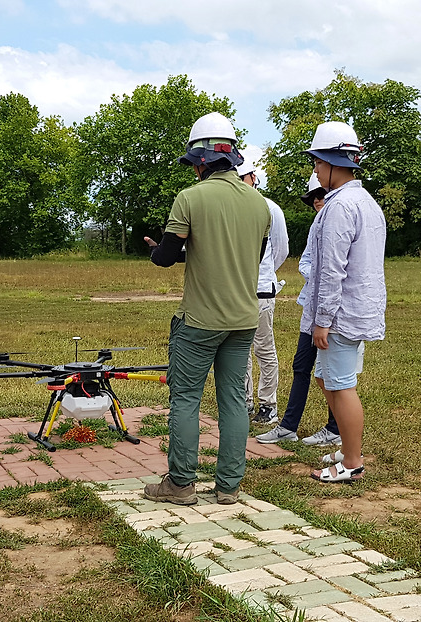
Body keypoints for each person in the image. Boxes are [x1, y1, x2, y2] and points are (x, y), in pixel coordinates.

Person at [142, 112, 270, 506]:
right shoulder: (260, 204)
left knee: (185, 399)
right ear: (232, 158)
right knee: (233, 400)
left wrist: (156, 250)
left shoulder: (190, 198)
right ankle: (228, 487)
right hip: (243, 320)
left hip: (199, 320)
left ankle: (180, 484)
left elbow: (166, 257)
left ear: (200, 161)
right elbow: (248, 258)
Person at [302, 122, 386, 484]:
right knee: (326, 379)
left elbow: (332, 269)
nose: (316, 170)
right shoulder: (365, 202)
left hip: (341, 312)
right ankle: (349, 447)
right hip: (356, 307)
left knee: (340, 384)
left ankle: (352, 462)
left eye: (318, 163)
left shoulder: (339, 207)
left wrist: (323, 319)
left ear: (333, 163)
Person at [256, 172, 341, 447]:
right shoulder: (317, 224)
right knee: (301, 366)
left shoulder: (339, 222)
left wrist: (320, 278)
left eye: (321, 195)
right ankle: (288, 426)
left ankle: (335, 428)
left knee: (330, 373)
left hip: (334, 312)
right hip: (312, 308)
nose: (317, 201)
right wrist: (315, 275)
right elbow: (305, 262)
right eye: (313, 197)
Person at [236, 159, 288, 425]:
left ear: (253, 177)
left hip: (261, 290)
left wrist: (264, 272)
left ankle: (268, 405)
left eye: (242, 177)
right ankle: (243, 402)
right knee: (239, 350)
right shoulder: (231, 207)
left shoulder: (270, 208)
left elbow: (281, 248)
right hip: (237, 290)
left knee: (264, 349)